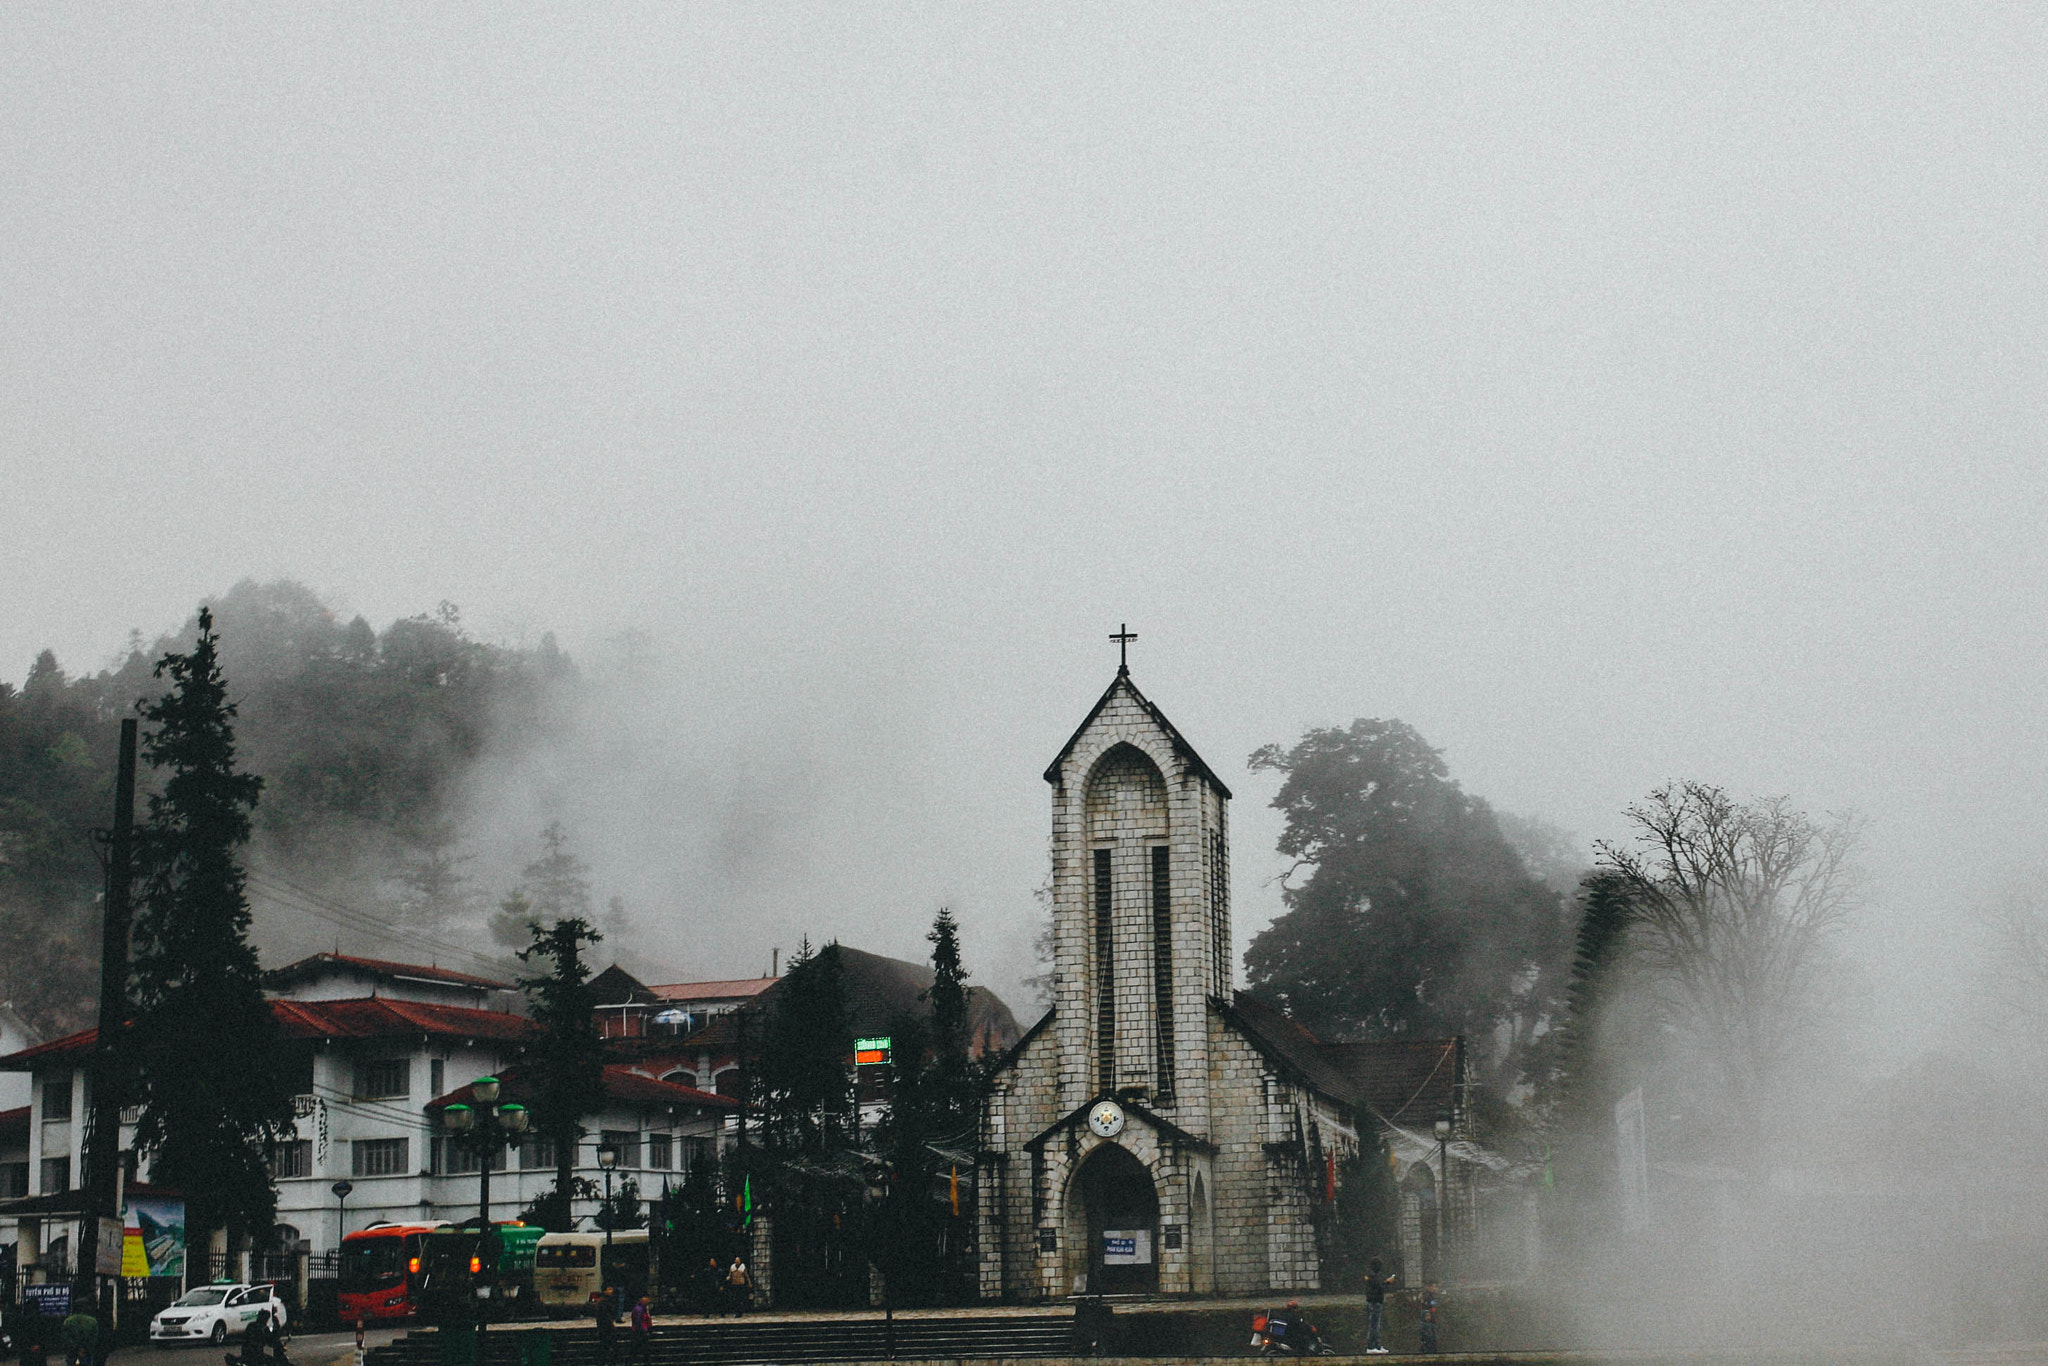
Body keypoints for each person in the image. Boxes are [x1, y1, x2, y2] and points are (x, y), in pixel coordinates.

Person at [1362, 1258, 1395, 1355]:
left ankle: (1377, 1345)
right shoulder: (1373, 1276)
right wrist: (1388, 1282)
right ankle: (1371, 1346)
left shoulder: (1370, 1276)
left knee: (1376, 1326)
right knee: (1374, 1326)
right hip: (1375, 1303)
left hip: (1372, 1302)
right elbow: (1379, 1289)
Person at [593, 1287, 619, 1366]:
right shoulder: (603, 1303)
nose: (612, 1291)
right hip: (605, 1328)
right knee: (607, 1346)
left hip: (606, 1327)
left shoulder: (609, 1301)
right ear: (605, 1291)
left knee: (608, 1346)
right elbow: (605, 1316)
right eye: (609, 1289)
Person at [629, 1295, 654, 1366]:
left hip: (642, 1330)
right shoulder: (639, 1309)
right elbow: (638, 1321)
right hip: (639, 1331)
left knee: (644, 1350)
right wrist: (643, 1330)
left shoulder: (644, 1308)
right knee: (638, 1349)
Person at [1417, 1281, 1441, 1354]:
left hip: (1431, 1316)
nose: (1435, 1288)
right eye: (1434, 1286)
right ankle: (1427, 1349)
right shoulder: (1426, 1295)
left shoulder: (1432, 1295)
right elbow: (1425, 1305)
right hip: (1427, 1315)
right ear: (1429, 1287)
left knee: (1431, 1333)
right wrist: (1427, 1313)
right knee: (1428, 1333)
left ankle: (1430, 1349)